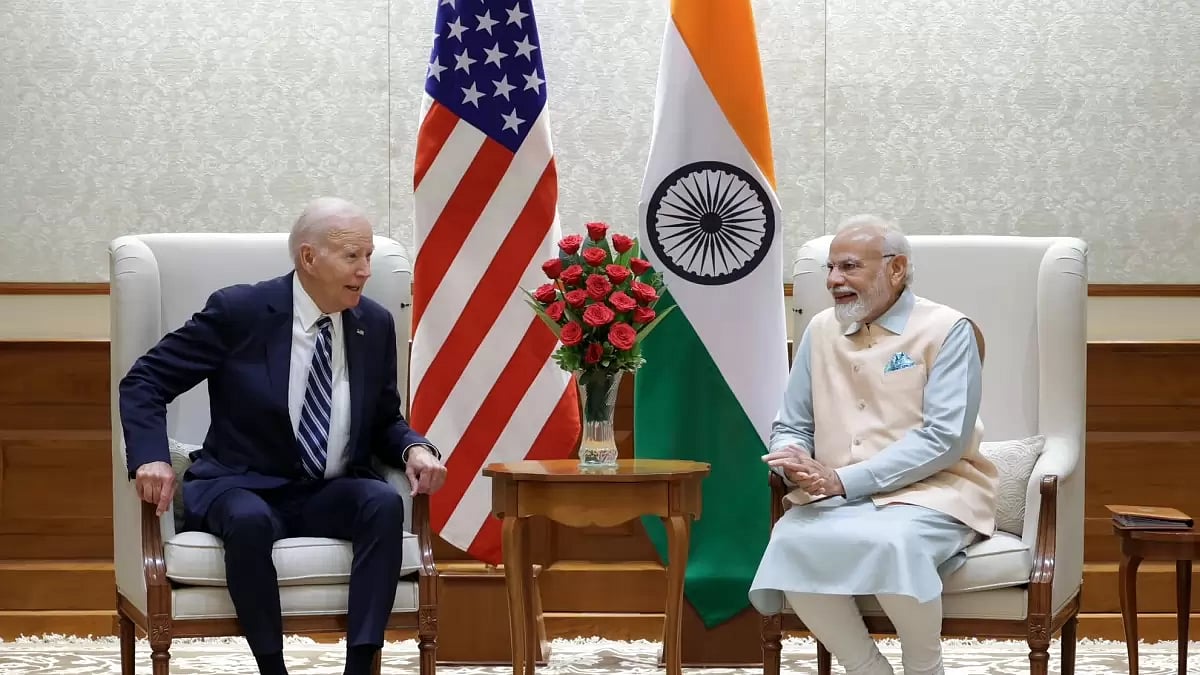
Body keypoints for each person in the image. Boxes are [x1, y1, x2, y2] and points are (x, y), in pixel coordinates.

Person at [118, 197, 448, 675]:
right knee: (249, 520)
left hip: (325, 490)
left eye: (369, 256)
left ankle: (360, 666)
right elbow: (145, 381)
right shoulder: (241, 311)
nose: (366, 270)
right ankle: (272, 668)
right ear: (309, 258)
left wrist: (415, 447)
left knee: (382, 503)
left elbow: (382, 421)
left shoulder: (373, 325)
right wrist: (151, 457)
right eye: (352, 256)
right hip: (241, 482)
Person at [748, 215, 997, 675]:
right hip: (834, 493)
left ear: (896, 269)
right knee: (791, 539)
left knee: (892, 540)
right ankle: (864, 667)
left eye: (848, 267)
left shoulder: (948, 328)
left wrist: (844, 480)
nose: (833, 281)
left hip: (935, 491)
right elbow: (791, 423)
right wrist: (792, 459)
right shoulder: (821, 330)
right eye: (830, 269)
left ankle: (925, 669)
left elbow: (945, 438)